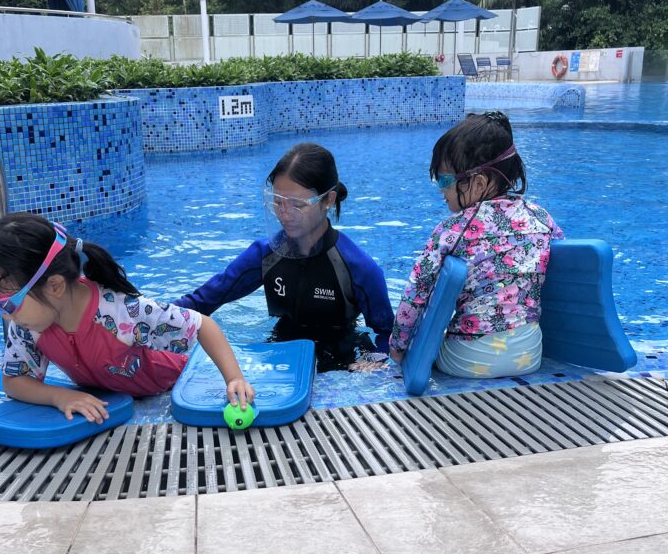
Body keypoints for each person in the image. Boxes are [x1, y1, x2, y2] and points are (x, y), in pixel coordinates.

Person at [0, 212, 254, 423]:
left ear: (55, 286)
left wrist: (234, 379)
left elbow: (203, 325)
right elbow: (14, 382)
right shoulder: (29, 325)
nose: (5, 314)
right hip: (112, 393)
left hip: (171, 383)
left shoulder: (122, 312)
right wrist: (60, 396)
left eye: (8, 303)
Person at [174, 143, 394, 372]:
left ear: (328, 200)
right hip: (280, 351)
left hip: (340, 357)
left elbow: (387, 332)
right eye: (278, 202)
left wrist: (374, 359)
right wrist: (151, 320)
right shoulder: (265, 255)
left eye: (298, 205)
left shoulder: (358, 267)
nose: (285, 214)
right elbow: (203, 301)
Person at [389, 111, 564, 378]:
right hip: (529, 356)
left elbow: (416, 294)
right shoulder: (542, 218)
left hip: (466, 361)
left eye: (445, 180)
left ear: (479, 183)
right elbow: (564, 266)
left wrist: (398, 349)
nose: (441, 190)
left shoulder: (451, 231)